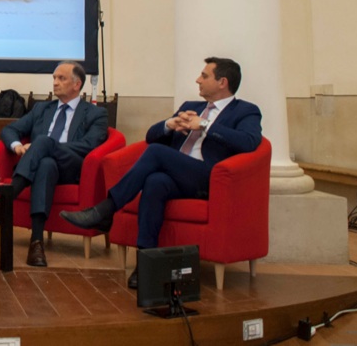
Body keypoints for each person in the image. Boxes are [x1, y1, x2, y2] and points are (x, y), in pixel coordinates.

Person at [61, 57, 262, 288]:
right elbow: (151, 136)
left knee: (156, 153)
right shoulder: (191, 106)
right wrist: (170, 124)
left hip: (210, 178)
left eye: (204, 76)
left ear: (222, 82)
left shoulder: (246, 111)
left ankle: (106, 209)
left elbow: (249, 142)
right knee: (155, 182)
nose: (198, 79)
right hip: (179, 175)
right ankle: (145, 266)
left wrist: (205, 125)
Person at [0, 61, 108, 267]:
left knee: (43, 142)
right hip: (45, 167)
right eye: (54, 78)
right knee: (45, 164)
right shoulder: (42, 109)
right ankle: (36, 244)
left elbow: (89, 146)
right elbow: (9, 130)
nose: (55, 83)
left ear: (77, 84)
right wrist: (18, 147)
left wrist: (49, 146)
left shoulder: (95, 113)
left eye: (61, 78)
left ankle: (3, 202)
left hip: (72, 166)